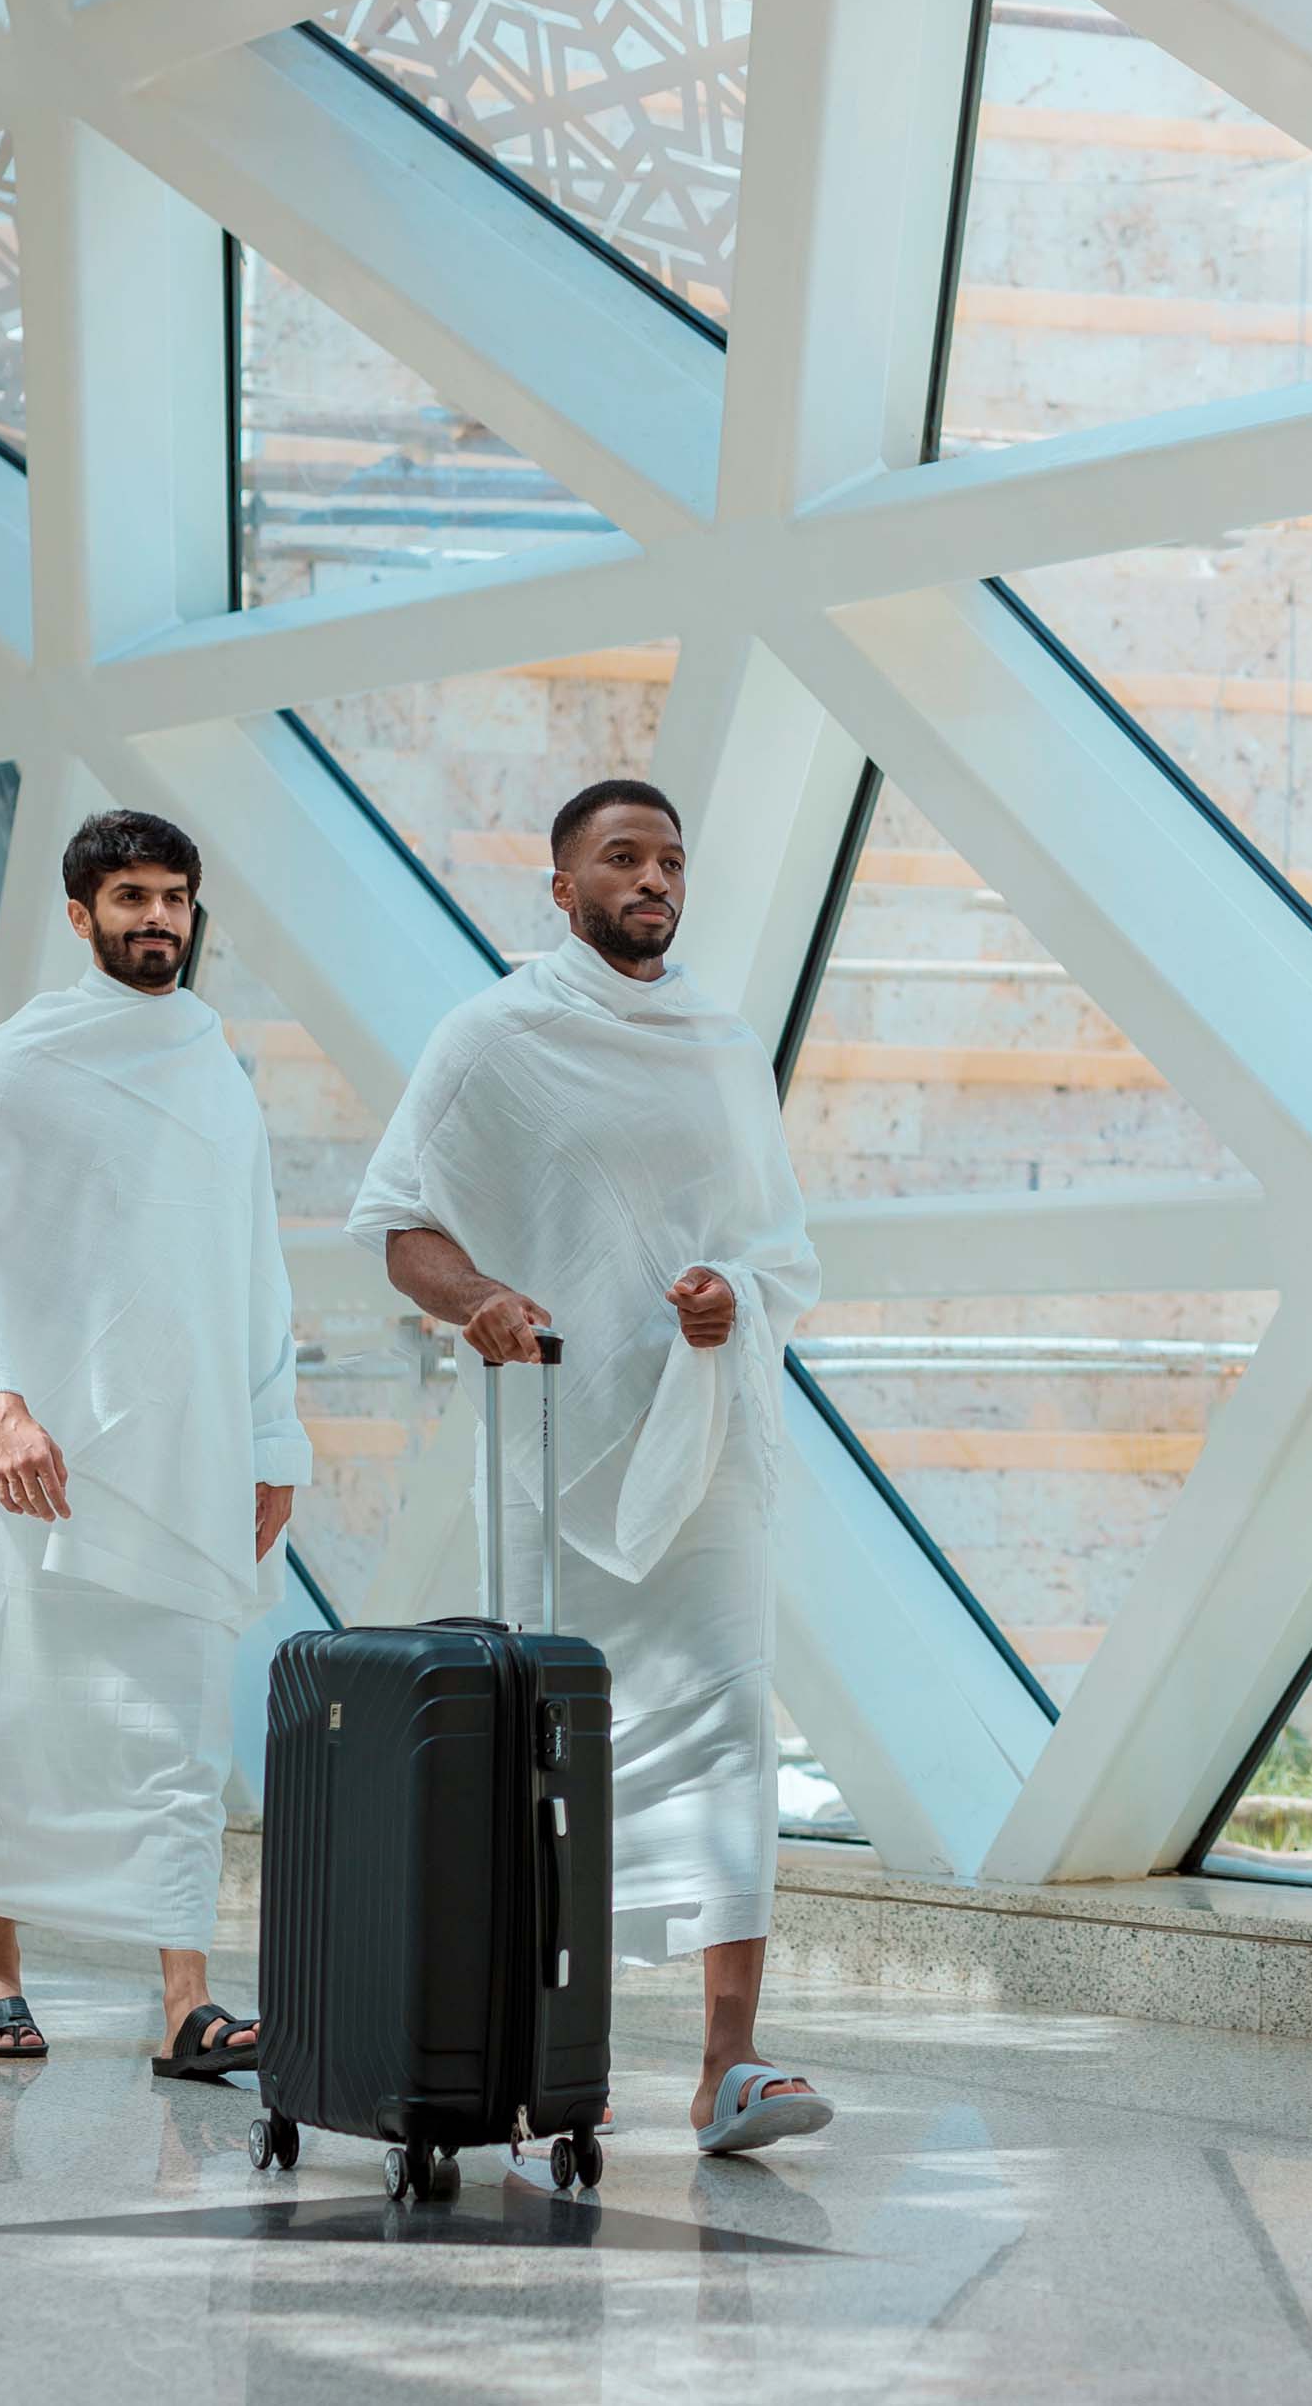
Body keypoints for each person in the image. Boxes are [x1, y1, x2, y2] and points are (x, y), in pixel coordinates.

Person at [344, 778, 832, 2157]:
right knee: (557, 1748)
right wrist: (480, 1294)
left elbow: (784, 1244)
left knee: (736, 1723)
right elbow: (400, 1223)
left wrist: (730, 1292)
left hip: (707, 1438)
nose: (653, 877)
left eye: (671, 857)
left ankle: (730, 2064)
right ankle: (563, 2052)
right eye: (622, 856)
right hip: (558, 1445)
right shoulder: (494, 1037)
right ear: (561, 888)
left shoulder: (725, 1045)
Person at [0, 809, 310, 2079]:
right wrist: (3, 1406)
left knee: (182, 1722)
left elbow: (253, 1264)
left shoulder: (212, 1067)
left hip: (189, 1447)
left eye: (174, 898)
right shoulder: (28, 1059)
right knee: (16, 1699)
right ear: (81, 917)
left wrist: (269, 1437)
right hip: (52, 1453)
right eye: (130, 898)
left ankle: (187, 2001)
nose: (157, 921)